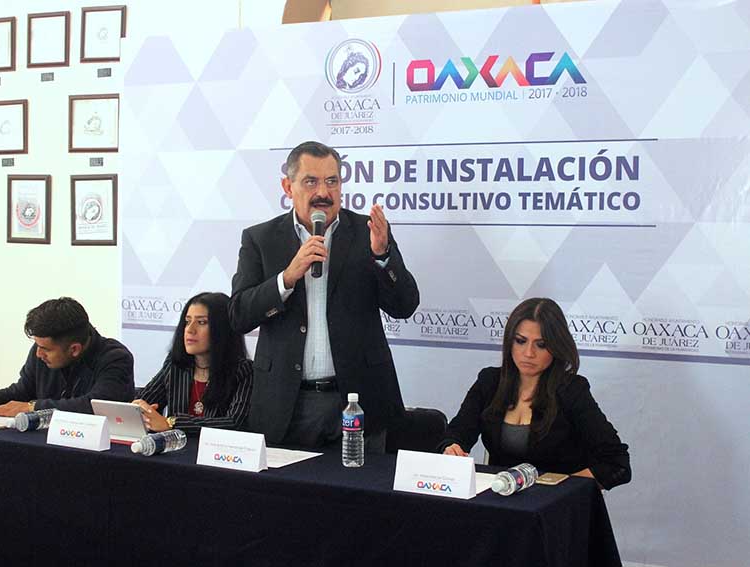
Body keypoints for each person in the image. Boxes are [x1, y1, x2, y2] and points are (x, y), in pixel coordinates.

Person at [229, 140, 420, 450]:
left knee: (362, 482)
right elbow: (238, 315)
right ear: (288, 187)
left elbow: (405, 305)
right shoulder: (260, 239)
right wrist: (286, 278)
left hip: (359, 401)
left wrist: (383, 255)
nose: (323, 192)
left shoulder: (368, 232)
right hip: (286, 404)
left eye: (332, 181)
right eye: (311, 181)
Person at [439, 298, 631, 490]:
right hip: (500, 497)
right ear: (509, 342)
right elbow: (455, 435)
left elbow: (616, 463)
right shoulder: (489, 381)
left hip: (556, 503)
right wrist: (451, 448)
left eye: (541, 345)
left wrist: (563, 490)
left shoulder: (571, 390)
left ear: (556, 347)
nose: (529, 353)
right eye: (520, 341)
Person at [0, 297, 134, 416]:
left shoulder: (116, 358)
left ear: (74, 349)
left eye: (45, 349)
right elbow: (20, 393)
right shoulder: (40, 352)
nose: (38, 354)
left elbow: (96, 406)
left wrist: (33, 408)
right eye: (37, 345)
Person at [133, 292, 253, 435]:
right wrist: (140, 409)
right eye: (187, 321)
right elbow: (146, 401)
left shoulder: (244, 370)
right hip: (175, 448)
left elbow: (234, 423)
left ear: (222, 329)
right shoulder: (175, 365)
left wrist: (171, 423)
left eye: (201, 322)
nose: (190, 330)